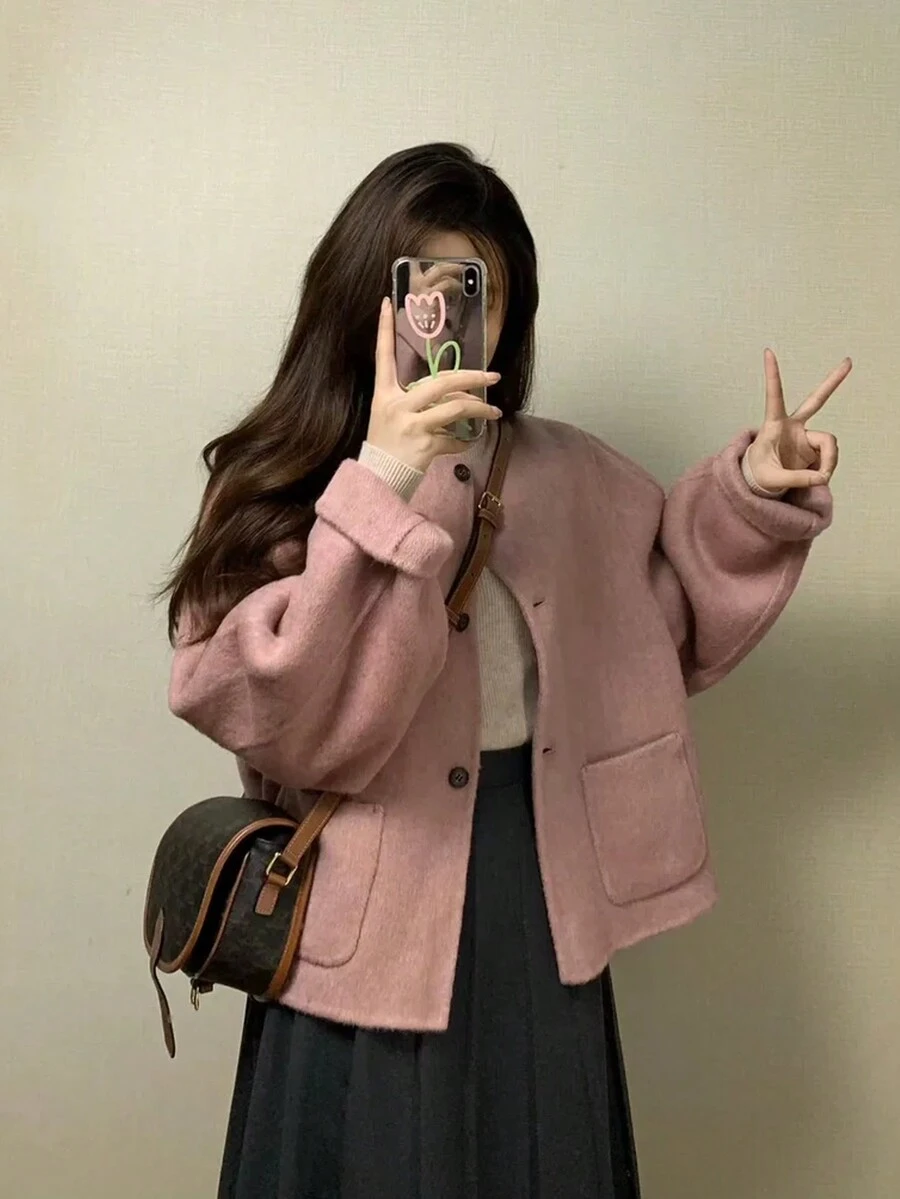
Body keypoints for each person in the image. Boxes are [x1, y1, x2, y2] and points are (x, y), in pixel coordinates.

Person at [162, 143, 848, 1199]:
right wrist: (383, 481)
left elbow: (661, 622)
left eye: (477, 292)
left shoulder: (570, 473)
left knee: (541, 1148)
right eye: (423, 289)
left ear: (510, 312)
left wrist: (751, 494)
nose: (449, 321)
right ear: (365, 299)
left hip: (536, 880)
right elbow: (273, 712)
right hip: (361, 898)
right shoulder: (289, 483)